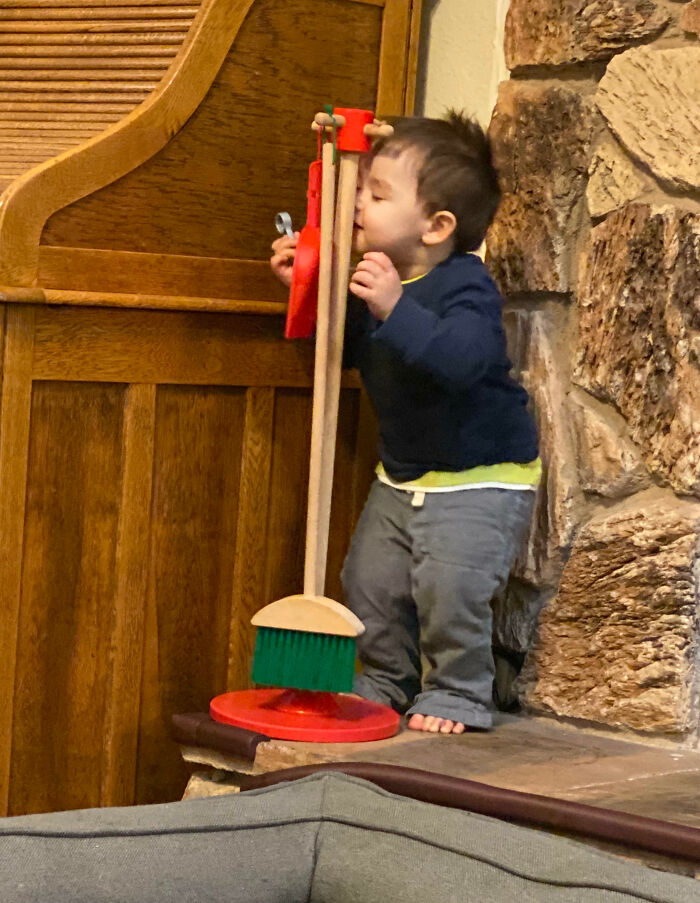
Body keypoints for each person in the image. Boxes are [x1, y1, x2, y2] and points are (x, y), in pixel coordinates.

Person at [270, 111, 539, 734]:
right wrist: (305, 293)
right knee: (369, 582)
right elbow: (338, 358)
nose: (358, 203)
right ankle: (384, 680)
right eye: (360, 189)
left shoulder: (463, 285)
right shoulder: (368, 279)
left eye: (378, 194)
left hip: (480, 477)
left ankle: (458, 692)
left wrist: (394, 306)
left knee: (452, 591)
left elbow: (461, 361)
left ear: (436, 226)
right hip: (404, 473)